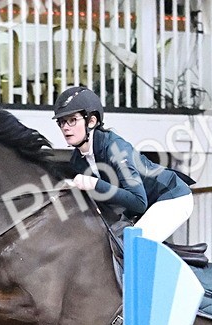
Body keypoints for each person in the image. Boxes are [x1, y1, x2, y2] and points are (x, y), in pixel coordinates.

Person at [52, 85, 194, 243]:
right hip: (144, 205)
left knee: (134, 246)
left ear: (91, 121)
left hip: (171, 197)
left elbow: (139, 202)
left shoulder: (115, 148)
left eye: (72, 120)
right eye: (62, 122)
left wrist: (95, 184)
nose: (65, 127)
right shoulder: (77, 160)